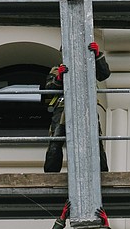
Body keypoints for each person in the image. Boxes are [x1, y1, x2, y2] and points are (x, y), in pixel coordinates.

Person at [44, 40, 110, 173]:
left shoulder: (89, 67)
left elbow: (104, 74)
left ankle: (102, 171)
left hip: (86, 107)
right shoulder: (58, 69)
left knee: (95, 138)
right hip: (63, 108)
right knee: (56, 139)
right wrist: (59, 78)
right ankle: (51, 172)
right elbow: (49, 89)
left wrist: (97, 56)